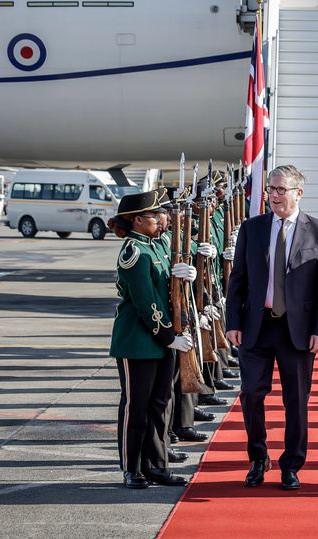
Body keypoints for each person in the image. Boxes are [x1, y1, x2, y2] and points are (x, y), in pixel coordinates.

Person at [225, 165, 318, 491]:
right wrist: (233, 322)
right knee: (251, 395)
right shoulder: (252, 228)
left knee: (296, 401)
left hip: (296, 330)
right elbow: (238, 281)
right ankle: (258, 457)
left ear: (298, 192)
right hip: (256, 328)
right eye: (271, 190)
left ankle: (291, 464)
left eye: (280, 190)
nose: (274, 195)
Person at [109, 190, 196, 489]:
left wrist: (188, 274)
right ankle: (131, 468)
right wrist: (169, 336)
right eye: (154, 215)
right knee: (137, 406)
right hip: (139, 340)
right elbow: (146, 303)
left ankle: (157, 466)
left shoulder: (157, 246)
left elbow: (168, 290)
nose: (161, 219)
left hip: (163, 340)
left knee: (161, 404)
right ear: (136, 221)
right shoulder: (134, 251)